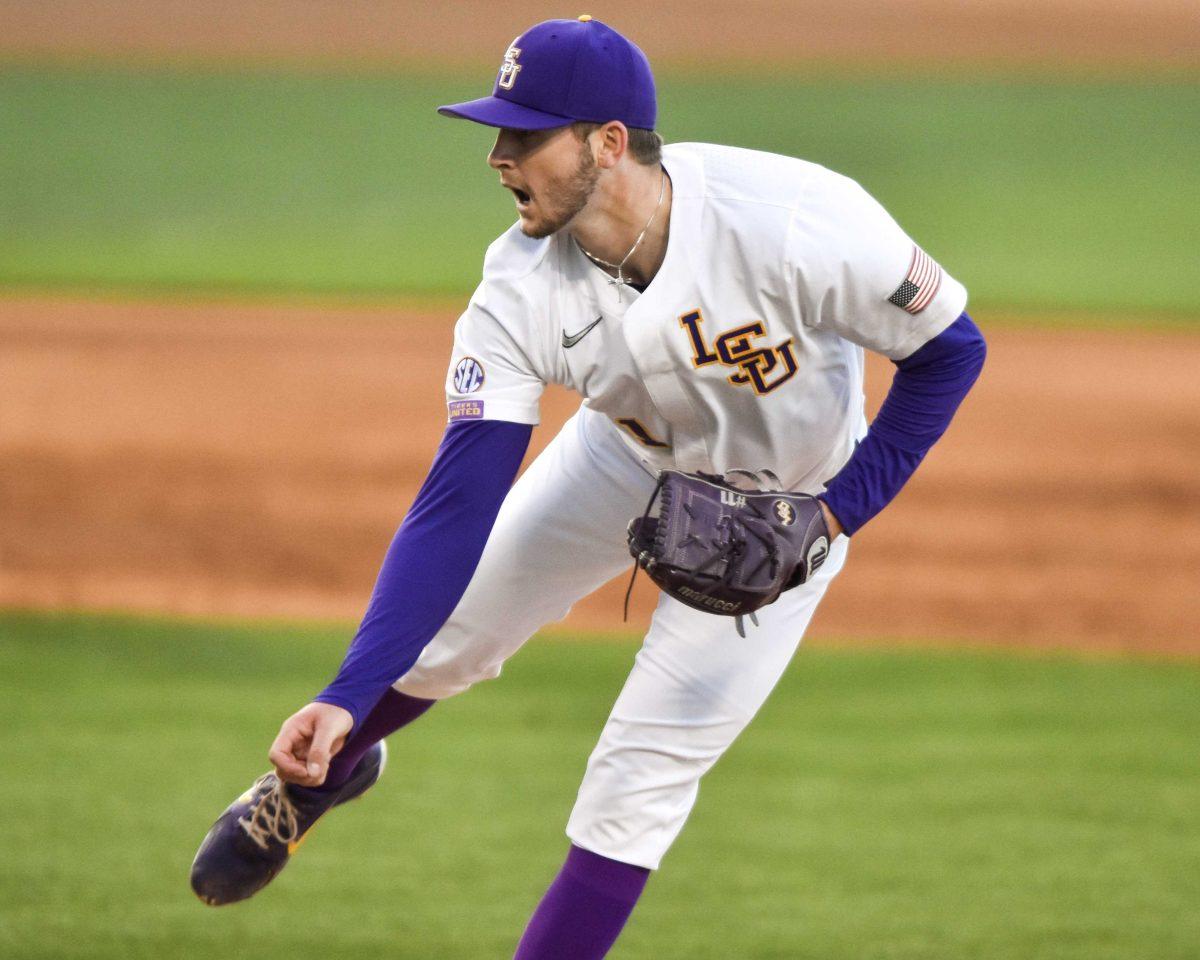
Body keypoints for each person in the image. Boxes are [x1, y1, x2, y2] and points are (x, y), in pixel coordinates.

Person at [190, 16, 986, 959]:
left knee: (636, 785)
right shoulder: (518, 287)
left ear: (608, 143)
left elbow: (949, 352)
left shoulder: (798, 221)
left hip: (790, 506)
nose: (496, 157)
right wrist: (345, 691)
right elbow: (457, 505)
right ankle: (319, 776)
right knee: (447, 636)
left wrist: (835, 514)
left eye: (523, 136)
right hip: (623, 459)